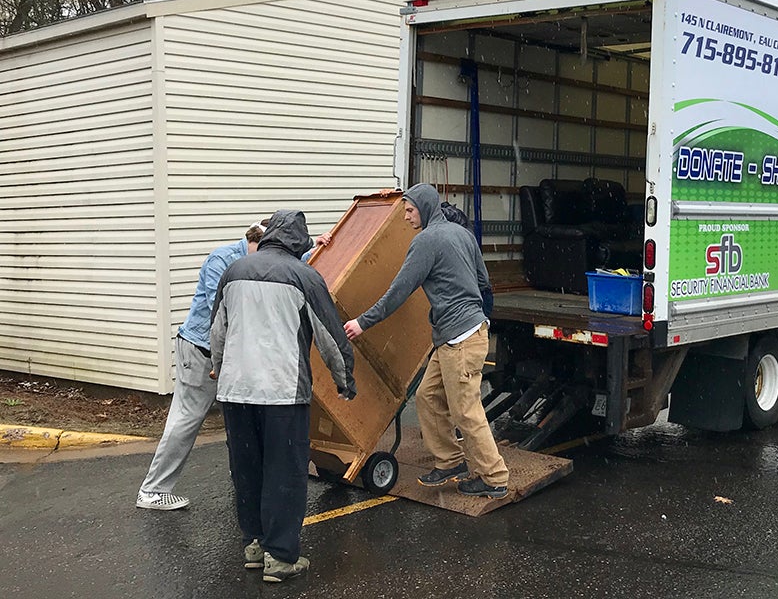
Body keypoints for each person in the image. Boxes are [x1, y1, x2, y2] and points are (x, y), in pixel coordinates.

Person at [210, 209, 355, 583]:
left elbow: (218, 331)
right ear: (299, 243)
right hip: (282, 392)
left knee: (247, 468)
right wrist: (345, 382)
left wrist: (219, 367)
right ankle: (281, 557)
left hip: (236, 391)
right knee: (285, 473)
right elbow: (331, 339)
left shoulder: (235, 271)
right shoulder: (305, 277)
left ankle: (254, 544)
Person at [344, 183, 509, 499]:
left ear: (424, 207)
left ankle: (494, 477)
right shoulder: (462, 235)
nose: (405, 216)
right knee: (427, 395)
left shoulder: (426, 242)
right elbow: (483, 282)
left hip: (459, 338)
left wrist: (362, 323)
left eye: (409, 210)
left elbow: (398, 292)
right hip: (461, 333)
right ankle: (449, 461)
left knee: (465, 411)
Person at [135, 219, 269, 511]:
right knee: (186, 418)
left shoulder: (255, 258)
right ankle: (153, 490)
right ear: (255, 241)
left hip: (228, 354)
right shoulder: (222, 260)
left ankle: (244, 478)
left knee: (240, 417)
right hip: (200, 351)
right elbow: (218, 310)